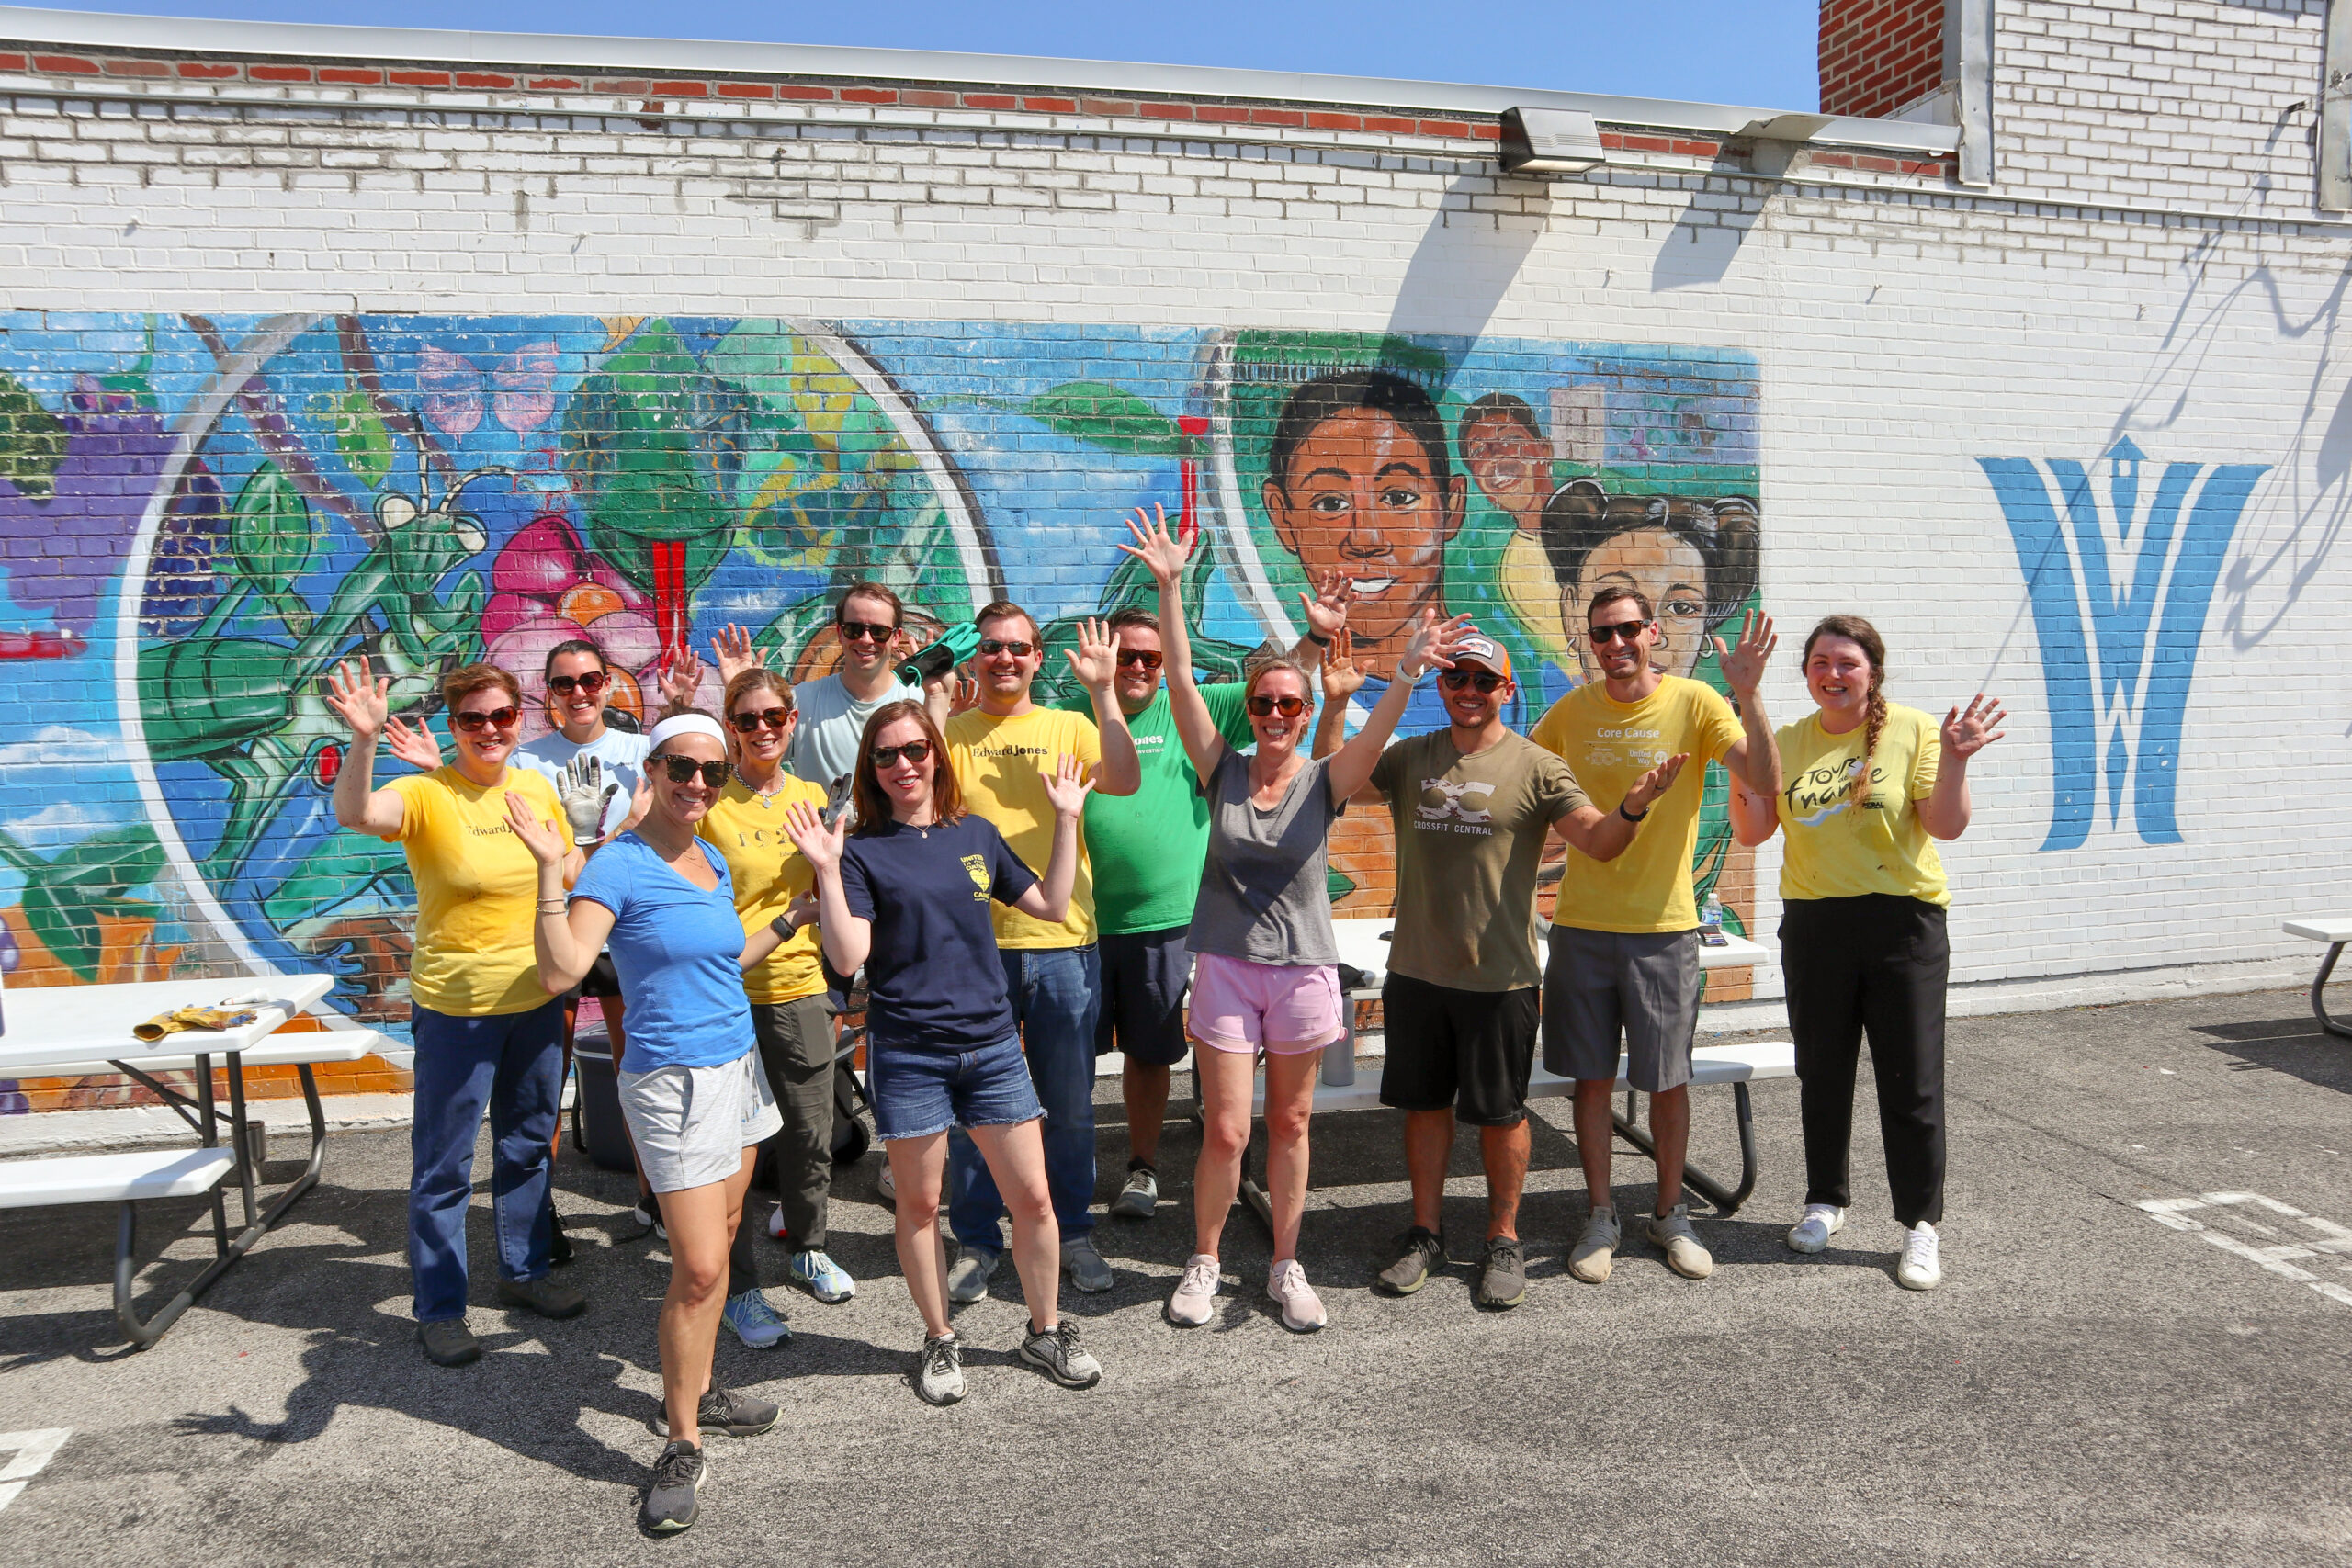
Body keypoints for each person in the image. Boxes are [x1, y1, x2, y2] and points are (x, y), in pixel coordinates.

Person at [1122, 511, 1464, 1333]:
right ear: (1252, 707)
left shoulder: (1323, 779)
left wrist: (1407, 675)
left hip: (1304, 970)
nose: (1275, 714)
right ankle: (1204, 1260)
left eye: (1288, 705)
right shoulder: (1222, 768)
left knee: (1293, 1121)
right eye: (1264, 703)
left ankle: (1283, 1262)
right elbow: (1173, 680)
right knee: (1228, 1129)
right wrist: (1169, 585)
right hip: (1230, 970)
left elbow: (1376, 730)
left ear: (1305, 712)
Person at [1315, 627, 1685, 1309]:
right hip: (1419, 972)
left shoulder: (1539, 765)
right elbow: (1332, 778)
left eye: (1484, 681)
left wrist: (1635, 806)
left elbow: (1600, 842)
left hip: (1502, 978)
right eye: (1457, 678)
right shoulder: (1411, 757)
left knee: (1500, 1114)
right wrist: (1335, 704)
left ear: (1505, 690)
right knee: (1425, 1108)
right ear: (1442, 686)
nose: (1469, 690)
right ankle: (1425, 1231)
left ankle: (1503, 1237)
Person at [509, 710, 800, 1533]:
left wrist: (790, 920)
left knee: (735, 1222)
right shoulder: (618, 867)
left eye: (713, 769)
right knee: (702, 1268)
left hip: (738, 1068)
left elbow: (720, 955)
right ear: (654, 770)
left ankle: (700, 1389)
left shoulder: (709, 855)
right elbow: (563, 966)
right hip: (672, 1082)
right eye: (682, 767)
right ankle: (681, 1438)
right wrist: (548, 869)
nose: (698, 783)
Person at [781, 703, 1106, 1406]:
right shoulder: (862, 850)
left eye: (916, 750)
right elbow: (848, 955)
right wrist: (829, 872)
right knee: (924, 1205)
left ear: (937, 754)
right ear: (872, 768)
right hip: (909, 1053)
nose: (904, 765)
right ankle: (938, 1337)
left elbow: (1052, 905)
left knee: (1035, 1200)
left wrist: (1068, 815)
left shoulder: (977, 833)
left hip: (992, 1045)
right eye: (887, 755)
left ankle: (1045, 1329)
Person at [1057, 507, 1352, 1222]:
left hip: (1167, 923)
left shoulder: (1201, 710)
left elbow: (1280, 692)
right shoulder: (1071, 712)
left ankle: (1143, 1166)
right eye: (1126, 656)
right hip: (1081, 922)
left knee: (1151, 1055)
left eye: (1148, 659)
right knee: (1066, 1058)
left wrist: (1316, 634)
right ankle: (1062, 1179)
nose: (1136, 668)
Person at [324, 658, 591, 1370]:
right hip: (457, 1009)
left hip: (537, 1001)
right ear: (455, 727)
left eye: (501, 716)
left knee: (529, 1143)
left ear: (519, 720)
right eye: (473, 719)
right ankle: (440, 1307)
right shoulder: (425, 793)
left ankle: (526, 1269)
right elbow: (355, 813)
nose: (489, 729)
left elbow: (568, 873)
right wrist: (365, 740)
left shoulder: (536, 788)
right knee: (443, 1164)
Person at [1726, 616, 2005, 1292]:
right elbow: (1755, 829)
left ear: (1872, 671)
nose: (1833, 673)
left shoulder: (1913, 730)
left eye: (1847, 662)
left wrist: (1959, 758)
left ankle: (1919, 1225)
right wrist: (1741, 733)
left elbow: (1946, 824)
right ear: (1807, 673)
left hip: (1902, 924)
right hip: (1816, 926)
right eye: (1821, 661)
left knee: (1910, 1080)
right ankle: (1825, 1202)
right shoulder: (1786, 740)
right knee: (1822, 1074)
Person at [1529, 587, 1783, 1284]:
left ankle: (1670, 1212)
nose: (1616, 645)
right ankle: (1602, 1214)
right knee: (1590, 1078)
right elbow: (1516, 778)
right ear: (1590, 641)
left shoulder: (1696, 702)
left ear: (1652, 634)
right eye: (1602, 634)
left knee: (1668, 1080)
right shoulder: (1572, 712)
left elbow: (1764, 778)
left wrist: (1749, 696)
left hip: (1665, 928)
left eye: (1629, 630)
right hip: (1580, 925)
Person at [940, 606, 1138, 1303]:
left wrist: (1104, 689)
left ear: (1035, 656)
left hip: (1063, 943)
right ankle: (976, 1238)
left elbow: (1123, 777)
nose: (1004, 659)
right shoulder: (953, 734)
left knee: (1069, 1103)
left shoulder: (1068, 724)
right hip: (974, 950)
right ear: (976, 657)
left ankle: (1073, 1229)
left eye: (1018, 648)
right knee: (973, 1106)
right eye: (991, 647)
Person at [702, 667, 857, 1311]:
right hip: (725, 989)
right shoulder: (708, 799)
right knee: (728, 1147)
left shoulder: (813, 793)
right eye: (747, 720)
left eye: (774, 717)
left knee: (809, 1131)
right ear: (730, 728)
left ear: (794, 721)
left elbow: (829, 889)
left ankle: (808, 1244)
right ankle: (738, 1284)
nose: (762, 729)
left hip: (799, 985)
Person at [1540, 481, 1759, 686]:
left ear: (1704, 631)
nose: (1650, 636)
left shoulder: (1708, 720)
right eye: (1616, 599)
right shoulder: (1562, 723)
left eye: (1681, 608)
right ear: (1570, 613)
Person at [785, 581, 927, 797]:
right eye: (855, 629)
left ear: (896, 637)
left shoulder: (920, 701)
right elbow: (750, 761)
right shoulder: (803, 701)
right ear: (840, 633)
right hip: (824, 831)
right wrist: (738, 696)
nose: (866, 640)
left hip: (900, 832)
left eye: (879, 631)